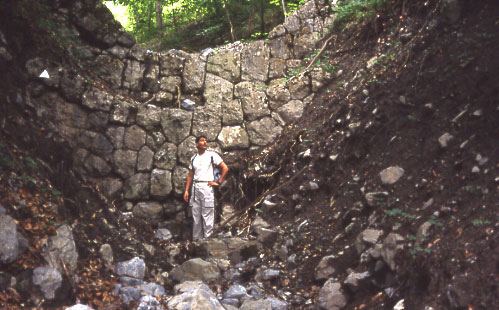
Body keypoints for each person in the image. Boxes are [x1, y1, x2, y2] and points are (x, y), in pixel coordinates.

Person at [184, 136, 229, 240]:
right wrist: (186, 190)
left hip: (207, 186)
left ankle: (207, 240)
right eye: (202, 140)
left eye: (205, 141)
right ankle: (196, 240)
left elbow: (225, 168)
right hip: (195, 187)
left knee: (207, 213)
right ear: (197, 144)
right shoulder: (194, 158)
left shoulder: (212, 155)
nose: (205, 142)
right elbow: (190, 175)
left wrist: (219, 181)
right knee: (196, 214)